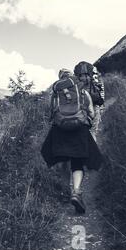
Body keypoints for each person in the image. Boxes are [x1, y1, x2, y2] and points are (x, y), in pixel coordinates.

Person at [41, 68, 103, 214]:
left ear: (60, 78)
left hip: (60, 129)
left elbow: (51, 113)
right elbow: (91, 113)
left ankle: (64, 190)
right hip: (79, 129)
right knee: (77, 163)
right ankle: (76, 192)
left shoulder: (55, 92)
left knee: (61, 160)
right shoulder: (82, 91)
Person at [74, 62, 105, 141]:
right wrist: (101, 108)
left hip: (82, 108)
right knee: (93, 131)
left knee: (82, 131)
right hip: (95, 106)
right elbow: (101, 94)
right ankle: (92, 150)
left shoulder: (77, 81)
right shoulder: (96, 78)